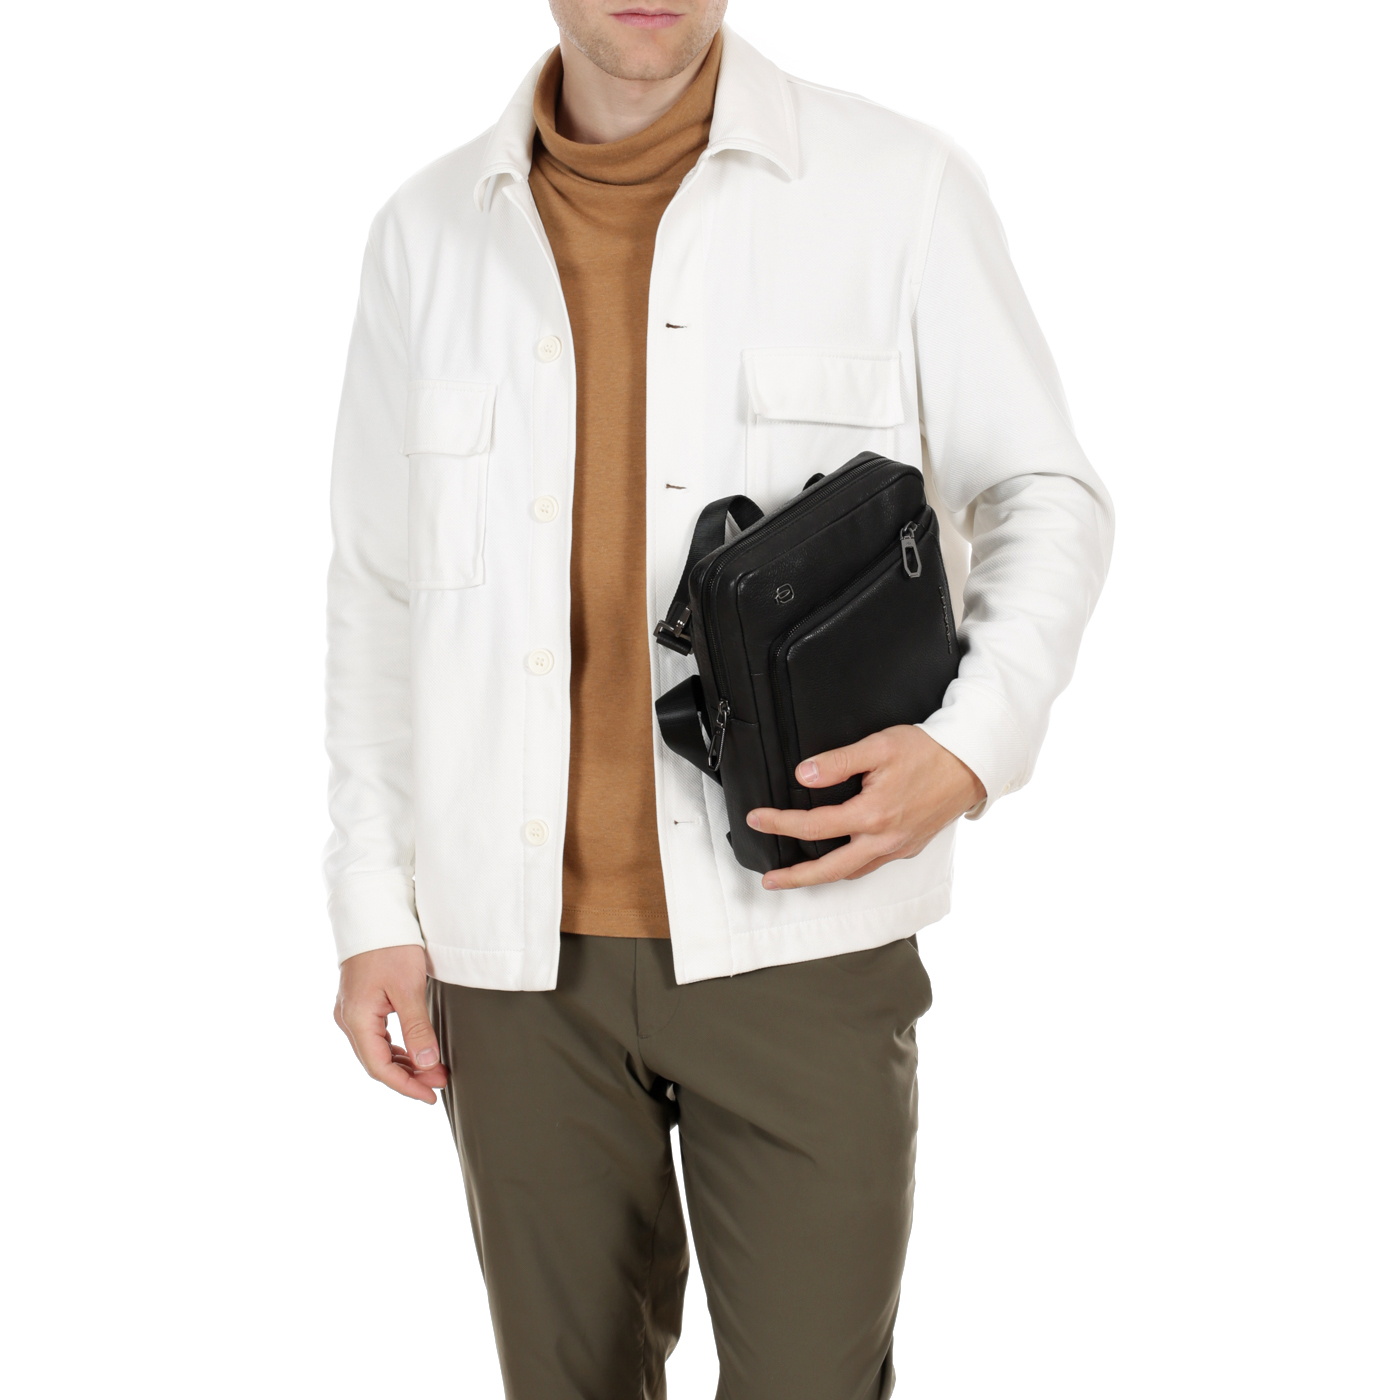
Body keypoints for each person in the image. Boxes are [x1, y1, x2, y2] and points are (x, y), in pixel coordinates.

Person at [324, 3, 1113, 1395]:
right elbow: (381, 592)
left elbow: (1044, 492)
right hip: (516, 965)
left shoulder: (897, 188)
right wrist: (374, 908)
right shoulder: (428, 232)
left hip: (804, 928)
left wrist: (969, 747)